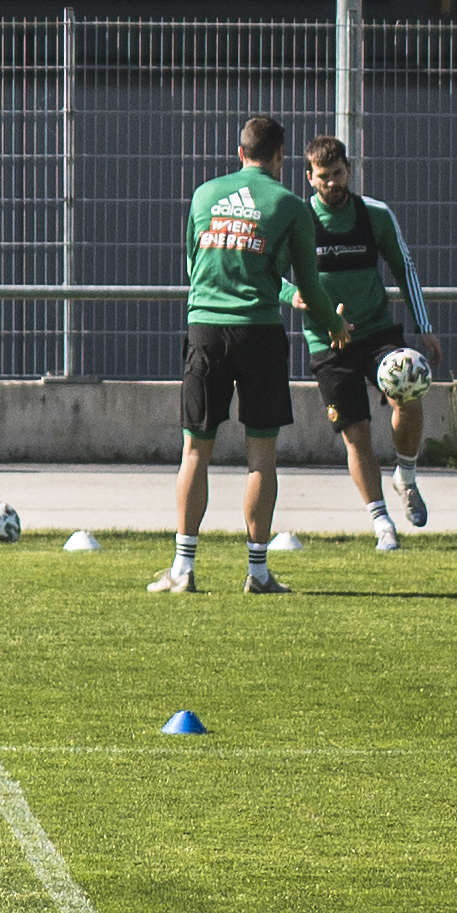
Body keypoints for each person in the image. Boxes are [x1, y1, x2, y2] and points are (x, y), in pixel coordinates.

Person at [159, 111, 320, 596]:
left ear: (239, 153)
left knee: (194, 451)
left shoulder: (204, 194)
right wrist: (336, 328)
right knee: (261, 457)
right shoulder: (290, 205)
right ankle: (258, 572)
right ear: (281, 158)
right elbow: (308, 285)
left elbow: (194, 262)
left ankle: (183, 569)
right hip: (260, 334)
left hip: (206, 328)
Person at [294, 133, 444, 551]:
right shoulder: (297, 219)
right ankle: (381, 522)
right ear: (309, 178)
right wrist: (295, 296)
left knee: (408, 390)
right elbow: (273, 274)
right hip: (327, 340)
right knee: (356, 431)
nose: (333, 183)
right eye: (323, 176)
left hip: (377, 332)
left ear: (349, 170)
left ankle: (407, 477)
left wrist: (425, 325)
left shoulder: (374, 214)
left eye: (338, 174)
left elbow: (405, 268)